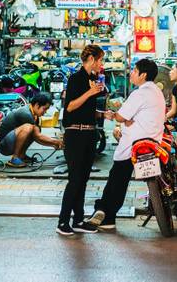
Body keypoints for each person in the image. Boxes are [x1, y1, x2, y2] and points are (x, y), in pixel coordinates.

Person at [88, 58, 165, 231]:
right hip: (154, 142)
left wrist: (113, 116)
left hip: (135, 144)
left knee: (117, 177)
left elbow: (121, 117)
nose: (131, 74)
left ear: (143, 75)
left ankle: (106, 214)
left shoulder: (140, 93)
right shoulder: (156, 91)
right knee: (120, 177)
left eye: (134, 71)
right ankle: (106, 211)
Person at [57, 45, 106, 236]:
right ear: (91, 59)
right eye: (100, 60)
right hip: (75, 134)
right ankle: (62, 221)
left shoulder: (92, 80)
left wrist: (104, 114)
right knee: (75, 179)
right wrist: (90, 93)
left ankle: (78, 220)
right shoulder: (76, 79)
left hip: (89, 134)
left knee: (83, 179)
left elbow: (85, 109)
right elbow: (70, 107)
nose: (102, 64)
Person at [0, 92, 62, 167]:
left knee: (34, 130)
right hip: (3, 146)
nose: (45, 112)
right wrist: (55, 142)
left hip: (10, 142)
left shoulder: (34, 114)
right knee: (29, 128)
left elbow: (36, 137)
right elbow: (38, 137)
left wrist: (53, 144)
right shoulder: (25, 113)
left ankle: (22, 156)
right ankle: (15, 158)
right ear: (37, 105)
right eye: (44, 109)